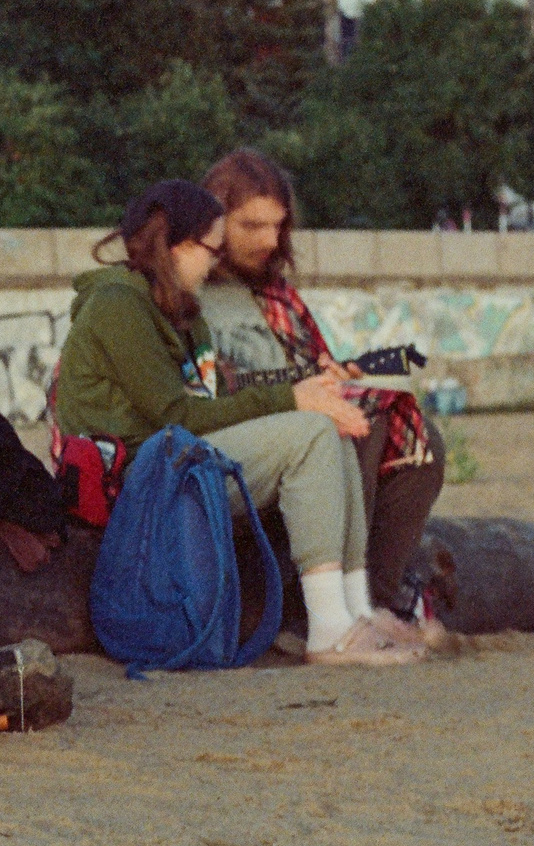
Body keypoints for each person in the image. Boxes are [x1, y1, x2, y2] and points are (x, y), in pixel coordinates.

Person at [50, 180, 422, 666]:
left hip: (173, 464)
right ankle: (329, 629)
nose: (214, 261)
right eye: (211, 248)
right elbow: (176, 416)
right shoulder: (118, 307)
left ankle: (355, 612)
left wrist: (306, 392)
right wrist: (289, 398)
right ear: (179, 246)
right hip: (139, 486)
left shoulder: (176, 310)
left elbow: (211, 403)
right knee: (308, 432)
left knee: (326, 425)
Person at [199, 149, 447, 636]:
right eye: (252, 225)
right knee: (349, 426)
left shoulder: (278, 296)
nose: (270, 240)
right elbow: (202, 391)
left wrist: (340, 382)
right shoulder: (185, 290)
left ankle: (372, 599)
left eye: (278, 226)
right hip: (237, 447)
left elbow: (315, 366)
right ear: (213, 221)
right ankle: (319, 609)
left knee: (420, 442)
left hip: (296, 426)